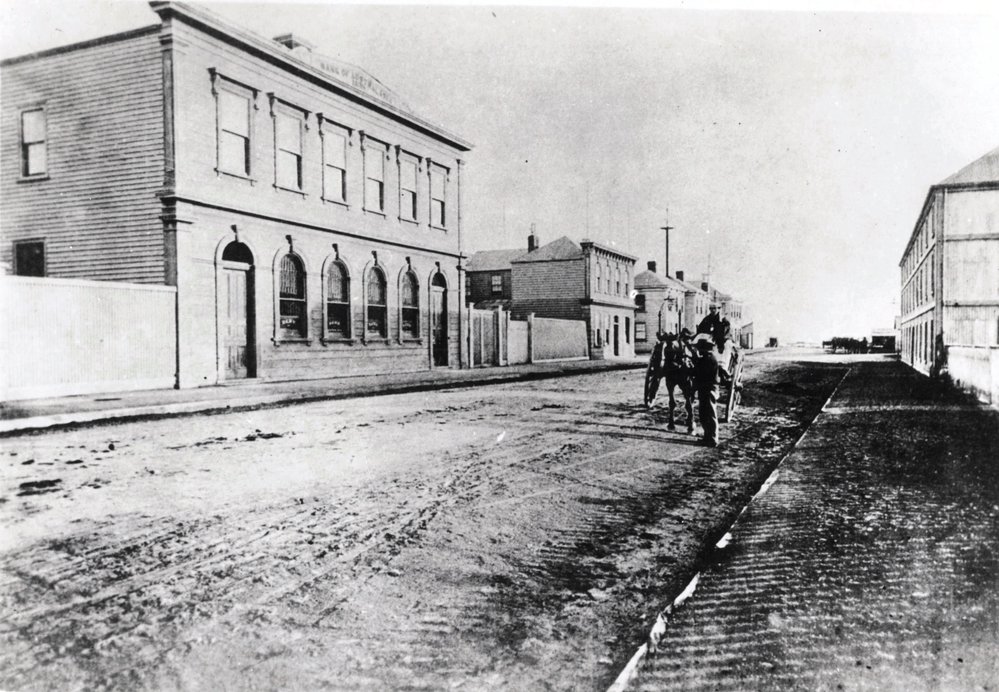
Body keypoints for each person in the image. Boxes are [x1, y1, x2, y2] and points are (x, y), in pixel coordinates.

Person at [692, 334, 721, 447]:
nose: (699, 350)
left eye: (700, 348)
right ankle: (707, 437)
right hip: (705, 389)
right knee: (704, 414)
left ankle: (713, 439)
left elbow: (699, 373)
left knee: (710, 414)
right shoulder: (706, 358)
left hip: (709, 389)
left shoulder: (709, 359)